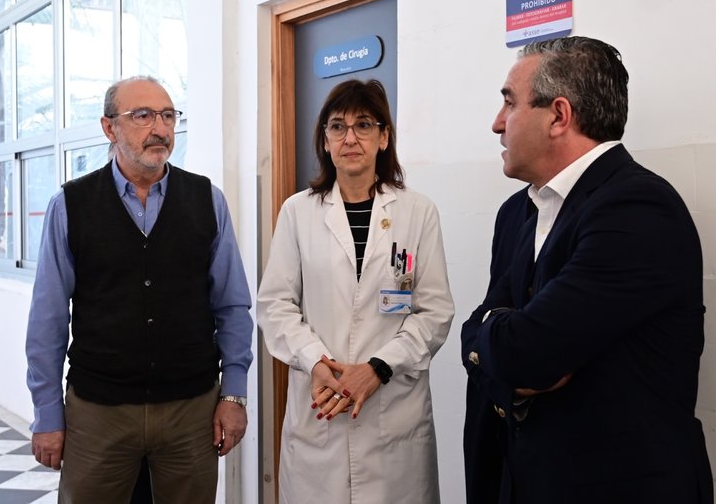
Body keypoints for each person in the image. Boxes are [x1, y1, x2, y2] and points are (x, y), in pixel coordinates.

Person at [461, 36, 713, 503]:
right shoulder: (518, 212)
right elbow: (479, 332)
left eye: (510, 103)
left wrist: (494, 338)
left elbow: (526, 353)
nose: (497, 123)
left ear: (559, 116)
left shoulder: (637, 208)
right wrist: (496, 338)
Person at [25, 75, 253, 503]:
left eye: (168, 116)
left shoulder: (207, 200)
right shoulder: (71, 206)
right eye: (143, 116)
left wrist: (234, 394)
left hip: (191, 410)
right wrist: (47, 412)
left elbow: (232, 305)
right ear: (109, 128)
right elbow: (48, 319)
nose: (161, 129)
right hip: (99, 412)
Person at [257, 79, 454, 504]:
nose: (350, 138)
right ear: (325, 140)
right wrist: (315, 361)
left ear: (383, 137)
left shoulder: (417, 211)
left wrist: (379, 367)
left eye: (363, 125)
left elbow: (435, 312)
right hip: (320, 413)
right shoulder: (298, 212)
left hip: (394, 419)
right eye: (337, 127)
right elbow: (275, 305)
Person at [462, 185, 534, 503]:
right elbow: (481, 319)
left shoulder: (618, 206)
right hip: (494, 404)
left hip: (544, 424)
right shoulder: (513, 210)